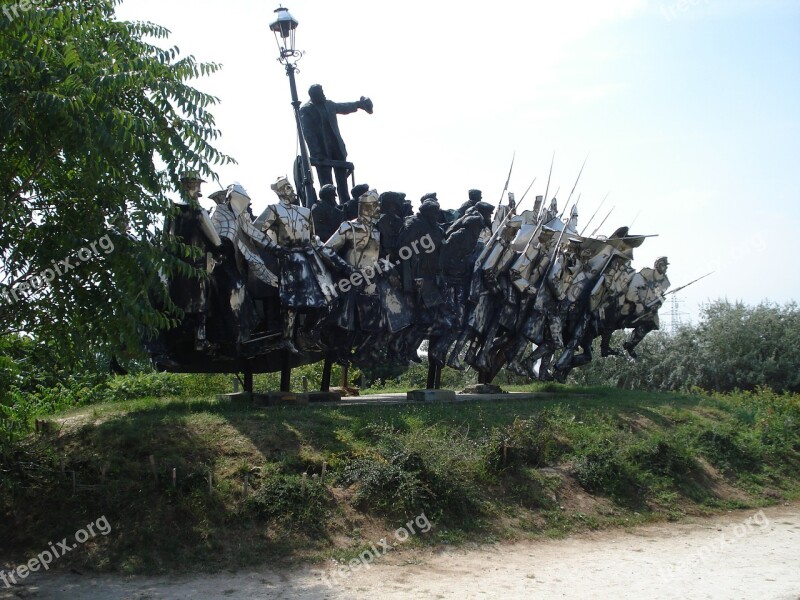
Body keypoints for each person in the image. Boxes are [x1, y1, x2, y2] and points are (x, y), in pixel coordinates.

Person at [299, 84, 373, 203]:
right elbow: (308, 133)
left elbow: (344, 107)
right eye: (320, 92)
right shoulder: (306, 109)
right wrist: (316, 153)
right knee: (326, 183)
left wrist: (359, 104)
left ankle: (345, 205)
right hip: (322, 151)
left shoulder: (329, 104)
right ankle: (330, 205)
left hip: (337, 147)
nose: (323, 94)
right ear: (314, 95)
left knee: (342, 182)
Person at [621, 256, 670, 358]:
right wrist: (638, 303)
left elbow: (659, 297)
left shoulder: (665, 282)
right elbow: (632, 288)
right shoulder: (645, 273)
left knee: (650, 324)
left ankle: (631, 344)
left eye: (666, 266)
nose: (665, 268)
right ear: (658, 265)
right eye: (664, 265)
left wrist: (656, 305)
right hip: (632, 302)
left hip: (648, 308)